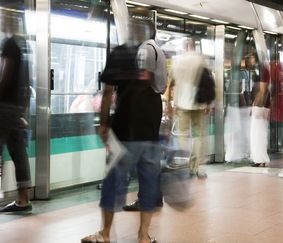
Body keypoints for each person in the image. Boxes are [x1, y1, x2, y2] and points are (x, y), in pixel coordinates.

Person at [81, 19, 162, 243]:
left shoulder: (119, 53)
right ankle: (143, 236)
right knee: (149, 183)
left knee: (114, 181)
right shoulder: (157, 53)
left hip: (124, 128)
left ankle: (105, 234)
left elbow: (107, 93)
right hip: (150, 128)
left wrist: (104, 123)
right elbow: (161, 87)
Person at [0, 13, 32, 213]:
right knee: (18, 151)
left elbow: (4, 74)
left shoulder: (9, 43)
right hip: (15, 107)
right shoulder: (23, 46)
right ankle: (23, 199)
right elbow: (28, 83)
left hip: (4, 106)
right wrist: (22, 108)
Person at [123, 24, 167, 212]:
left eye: (136, 30)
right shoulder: (157, 49)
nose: (133, 33)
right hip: (153, 101)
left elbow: (144, 77)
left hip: (146, 102)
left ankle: (146, 199)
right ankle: (155, 196)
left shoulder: (146, 49)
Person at [168, 38, 211, 179]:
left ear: (185, 47)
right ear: (194, 46)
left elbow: (171, 82)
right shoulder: (201, 60)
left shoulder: (178, 60)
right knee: (198, 137)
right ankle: (196, 167)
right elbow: (208, 83)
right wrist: (208, 104)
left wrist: (169, 103)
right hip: (198, 104)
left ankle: (184, 165)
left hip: (182, 105)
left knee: (182, 135)